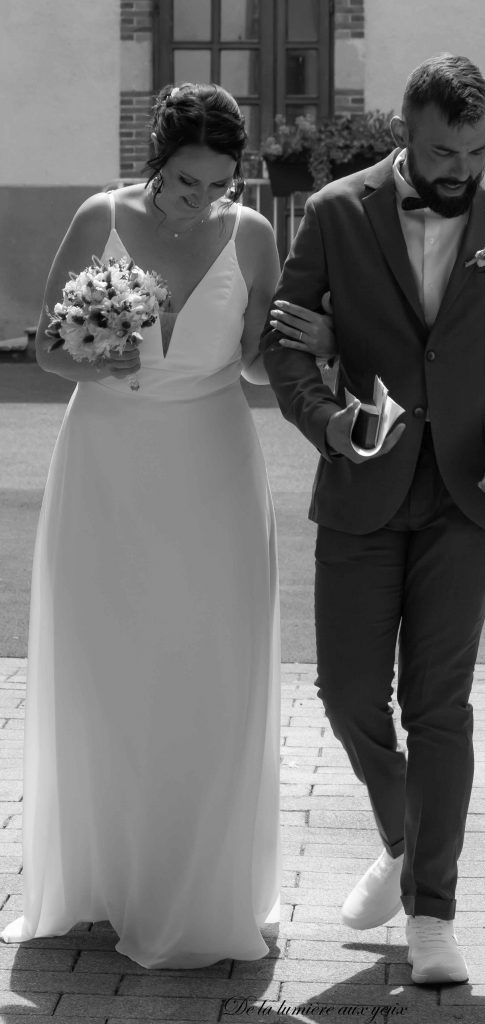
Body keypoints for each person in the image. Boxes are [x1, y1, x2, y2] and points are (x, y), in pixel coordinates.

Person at [1, 82, 333, 969]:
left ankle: (199, 881)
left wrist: (316, 343)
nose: (203, 200)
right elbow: (40, 347)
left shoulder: (253, 236)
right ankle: (107, 878)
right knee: (108, 660)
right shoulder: (96, 218)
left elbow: (260, 366)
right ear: (158, 159)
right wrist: (90, 356)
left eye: (220, 184)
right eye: (189, 183)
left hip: (214, 465)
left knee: (208, 665)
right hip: (109, 461)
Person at [262, 54, 485, 985]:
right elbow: (286, 335)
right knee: (349, 694)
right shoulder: (333, 213)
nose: (462, 169)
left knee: (438, 705)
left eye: (477, 150)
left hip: (473, 492)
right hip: (363, 482)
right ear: (407, 131)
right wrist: (326, 422)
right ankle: (406, 838)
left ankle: (434, 913)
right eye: (445, 150)